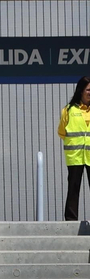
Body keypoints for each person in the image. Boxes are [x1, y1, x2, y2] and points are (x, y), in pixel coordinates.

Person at [61, 77, 90, 221]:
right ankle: (71, 220)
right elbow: (61, 131)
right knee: (73, 189)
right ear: (81, 91)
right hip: (75, 155)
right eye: (88, 89)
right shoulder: (68, 110)